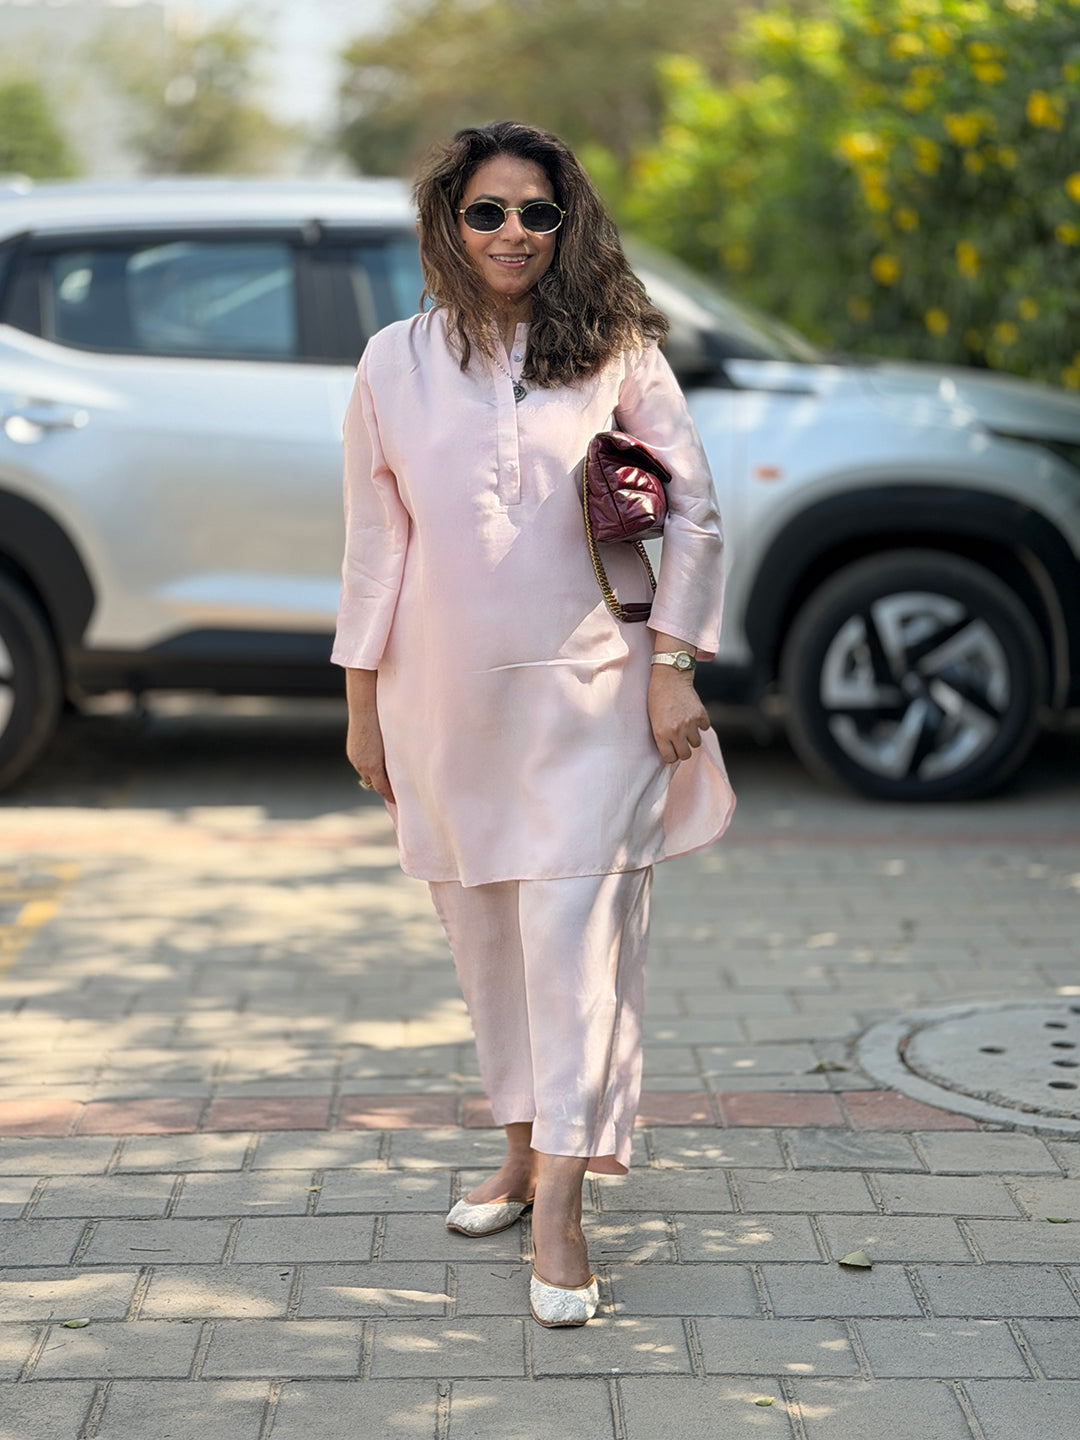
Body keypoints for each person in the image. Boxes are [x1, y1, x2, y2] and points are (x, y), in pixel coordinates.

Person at [332, 120, 734, 1327]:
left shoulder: (615, 350)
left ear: (570, 229)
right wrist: (363, 706)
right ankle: (518, 1149)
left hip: (592, 697)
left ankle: (561, 1199)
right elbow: (373, 543)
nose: (514, 233)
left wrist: (675, 668)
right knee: (487, 942)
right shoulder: (390, 363)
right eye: (490, 212)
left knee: (577, 945)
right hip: (443, 702)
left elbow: (697, 512)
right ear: (448, 226)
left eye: (538, 213)